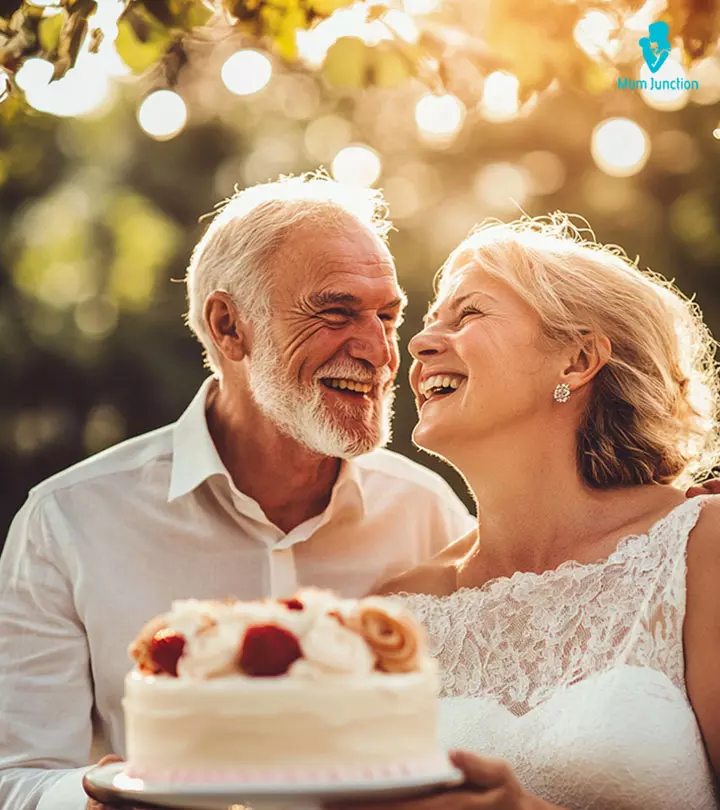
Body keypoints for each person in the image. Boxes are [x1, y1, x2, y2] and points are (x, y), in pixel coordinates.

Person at [0, 173, 474, 810]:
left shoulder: (429, 512)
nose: (378, 351)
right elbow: (18, 775)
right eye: (336, 312)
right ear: (229, 327)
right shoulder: (67, 522)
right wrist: (92, 799)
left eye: (387, 316)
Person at [356, 215, 720, 810]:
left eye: (469, 314)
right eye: (427, 325)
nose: (418, 346)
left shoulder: (700, 548)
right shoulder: (395, 609)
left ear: (576, 360)